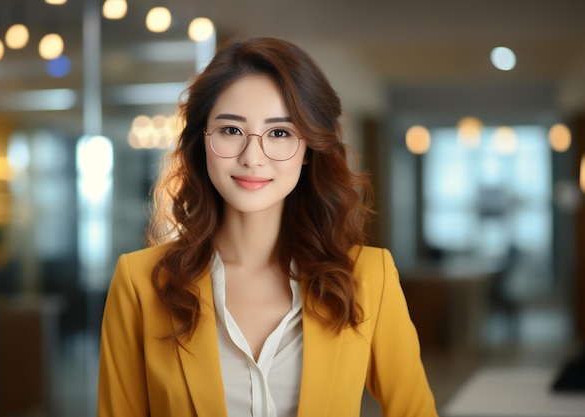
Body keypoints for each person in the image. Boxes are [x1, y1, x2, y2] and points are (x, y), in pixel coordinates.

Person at [97, 37, 438, 417]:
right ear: (201, 141)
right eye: (230, 130)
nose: (252, 157)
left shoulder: (369, 278)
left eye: (279, 133)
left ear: (309, 150)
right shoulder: (140, 282)